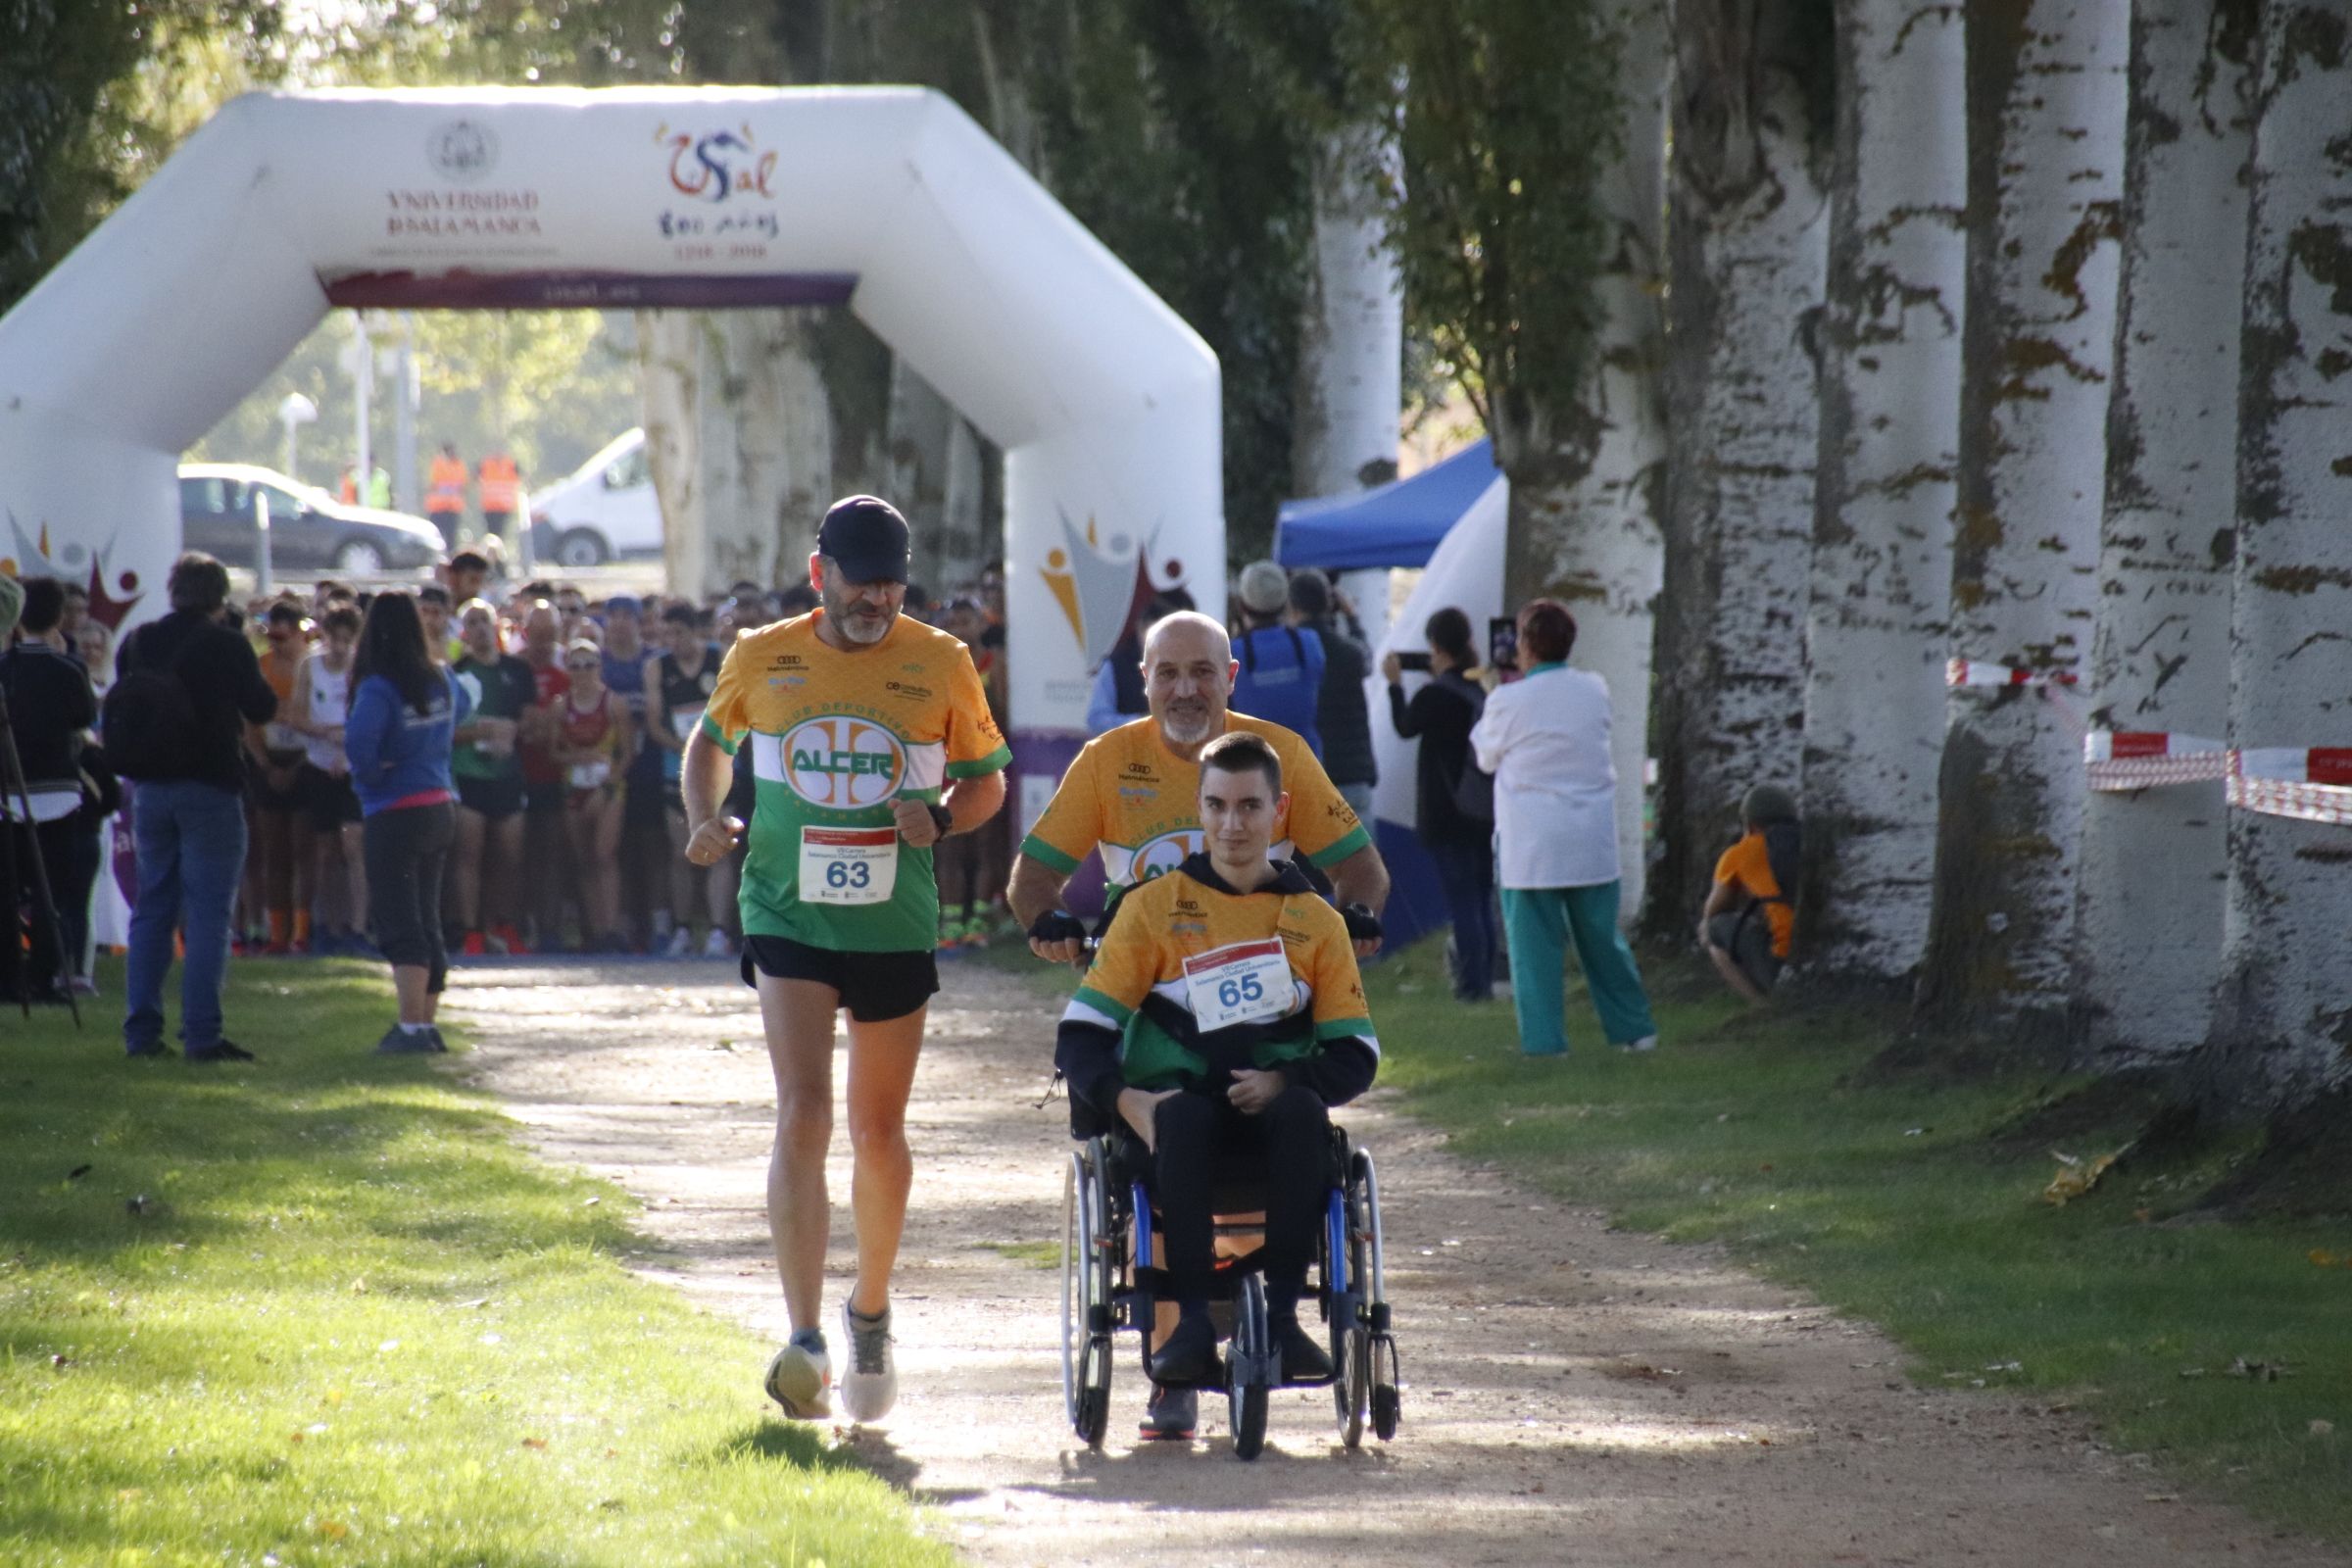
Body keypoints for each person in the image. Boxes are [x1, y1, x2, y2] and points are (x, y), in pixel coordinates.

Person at [680, 494, 1010, 1423]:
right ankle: (804, 1335)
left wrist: (941, 814)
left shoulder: (941, 662)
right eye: (861, 583)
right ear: (819, 572)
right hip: (785, 912)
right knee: (803, 1111)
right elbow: (707, 746)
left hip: (893, 924)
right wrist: (706, 818)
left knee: (876, 1129)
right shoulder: (762, 654)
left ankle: (868, 1307)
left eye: (892, 585)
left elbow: (988, 780)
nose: (877, 601)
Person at [1054, 730, 1380, 1440]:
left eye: (1250, 808)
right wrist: (1124, 1101)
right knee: (1185, 1120)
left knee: (1300, 1112)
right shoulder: (1149, 908)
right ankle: (1192, 1325)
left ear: (1278, 809)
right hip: (1175, 1120)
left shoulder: (1315, 921)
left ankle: (1290, 1321)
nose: (1233, 826)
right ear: (1199, 811)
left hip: (1276, 1123)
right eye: (1218, 807)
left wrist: (1286, 1076)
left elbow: (1356, 1054)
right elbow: (1081, 1035)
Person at [1009, 610, 1389, 957]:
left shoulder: (1282, 752)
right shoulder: (1105, 758)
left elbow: (1359, 867)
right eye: (1168, 673)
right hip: (1136, 978)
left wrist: (1356, 913)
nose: (1186, 690)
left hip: (1256, 979)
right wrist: (1050, 919)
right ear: (1146, 679)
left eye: (1203, 672)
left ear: (1231, 676)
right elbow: (1033, 876)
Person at [1470, 599, 1656, 1057]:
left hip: (1531, 843)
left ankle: (1546, 1042)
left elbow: (1486, 756)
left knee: (1534, 951)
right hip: (1591, 836)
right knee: (1603, 942)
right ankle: (1634, 1029)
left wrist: (1499, 691)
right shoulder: (1594, 687)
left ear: (1525, 644)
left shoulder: (1506, 700)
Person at [116, 553, 278, 1061]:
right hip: (211, 785)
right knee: (209, 912)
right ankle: (202, 1032)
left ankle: (141, 1032)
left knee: (153, 907)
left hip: (150, 788)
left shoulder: (138, 642)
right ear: (218, 596)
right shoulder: (228, 645)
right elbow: (262, 707)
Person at [345, 591, 468, 1054]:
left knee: (400, 920)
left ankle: (410, 1027)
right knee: (428, 917)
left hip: (394, 810)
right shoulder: (440, 678)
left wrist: (376, 776)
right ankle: (428, 1025)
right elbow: (465, 709)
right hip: (440, 803)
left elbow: (359, 745)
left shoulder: (378, 686)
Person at [1383, 607, 1497, 1003]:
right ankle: (1483, 978)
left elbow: (1405, 725)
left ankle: (1472, 986)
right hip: (1480, 810)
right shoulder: (1477, 689)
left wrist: (1396, 684)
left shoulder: (1433, 695)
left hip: (1446, 814)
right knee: (1481, 897)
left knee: (1462, 902)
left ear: (1435, 647)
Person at [0, 577, 97, 1006]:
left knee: (9, 890)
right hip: (58, 791)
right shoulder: (68, 670)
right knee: (50, 894)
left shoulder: (6, 668)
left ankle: (8, 977)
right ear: (59, 617)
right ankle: (43, 976)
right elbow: (83, 720)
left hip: (9, 793)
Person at [448, 598, 536, 956]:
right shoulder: (455, 674)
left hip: (508, 775)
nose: (481, 629)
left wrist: (512, 729)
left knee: (509, 855)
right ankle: (471, 932)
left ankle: (504, 926)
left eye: (485, 620)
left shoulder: (517, 671)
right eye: (473, 622)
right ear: (464, 632)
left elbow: (531, 720)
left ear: (496, 625)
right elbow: (447, 730)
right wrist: (482, 732)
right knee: (469, 854)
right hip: (469, 774)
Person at [647, 601, 733, 957]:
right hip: (676, 768)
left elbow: (736, 710)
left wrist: (709, 748)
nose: (673, 641)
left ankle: (718, 930)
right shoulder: (657, 667)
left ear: (694, 631)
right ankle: (683, 928)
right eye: (666, 634)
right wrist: (689, 748)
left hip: (721, 766)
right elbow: (654, 723)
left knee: (722, 850)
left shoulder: (720, 658)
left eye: (678, 633)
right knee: (682, 850)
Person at [286, 604, 368, 956]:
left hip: (354, 768)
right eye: (335, 639)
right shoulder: (310, 666)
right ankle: (329, 925)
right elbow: (296, 716)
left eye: (348, 640)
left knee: (354, 847)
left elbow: (368, 719)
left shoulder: (362, 672)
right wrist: (324, 734)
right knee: (325, 851)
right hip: (319, 765)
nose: (340, 647)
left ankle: (358, 926)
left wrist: (347, 747)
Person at [551, 635, 633, 952]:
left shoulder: (614, 703)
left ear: (599, 667)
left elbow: (627, 752)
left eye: (589, 665)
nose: (583, 671)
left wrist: (609, 778)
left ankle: (612, 926)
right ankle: (597, 928)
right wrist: (578, 759)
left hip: (607, 787)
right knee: (584, 858)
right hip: (574, 785)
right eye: (576, 665)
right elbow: (554, 752)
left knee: (604, 854)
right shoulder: (561, 706)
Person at [1288, 569, 1377, 821]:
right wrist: (1353, 619)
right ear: (1329, 604)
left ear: (1292, 606)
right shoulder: (1350, 652)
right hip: (1354, 774)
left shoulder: (1293, 655)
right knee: (1362, 859)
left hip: (1311, 775)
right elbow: (1367, 659)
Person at [251, 601, 314, 954]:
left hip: (304, 762)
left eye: (283, 636)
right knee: (274, 851)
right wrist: (264, 763)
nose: (277, 645)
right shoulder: (261, 668)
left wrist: (299, 765)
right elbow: (249, 722)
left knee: (303, 850)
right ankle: (277, 931)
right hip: (270, 760)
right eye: (271, 636)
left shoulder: (312, 665)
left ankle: (301, 931)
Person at [1701, 784, 1801, 1003]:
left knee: (1714, 929)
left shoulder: (1739, 853)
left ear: (1750, 823)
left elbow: (1716, 908)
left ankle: (1762, 1004)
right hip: (1821, 956)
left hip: (1781, 961)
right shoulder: (1811, 844)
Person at [1227, 561, 1325, 756]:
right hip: (1307, 767)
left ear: (1242, 606)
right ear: (1286, 602)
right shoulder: (1309, 643)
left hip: (1252, 767)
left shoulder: (1231, 651)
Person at [426, 440, 467, 550]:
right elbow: (434, 484)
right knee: (436, 537)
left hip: (453, 509)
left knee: (451, 539)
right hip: (437, 508)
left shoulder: (459, 465)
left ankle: (450, 560)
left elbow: (462, 485)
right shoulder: (437, 464)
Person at [477, 446, 520, 551]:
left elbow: (519, 477)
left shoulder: (510, 465)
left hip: (504, 507)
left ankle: (498, 556)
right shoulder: (486, 464)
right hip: (490, 507)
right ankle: (490, 554)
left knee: (500, 534)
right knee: (490, 534)